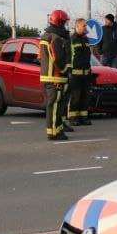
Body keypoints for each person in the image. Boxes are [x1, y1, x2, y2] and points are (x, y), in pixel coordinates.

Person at [39, 9, 72, 140]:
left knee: (54, 106)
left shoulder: (45, 36)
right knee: (54, 106)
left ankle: (57, 130)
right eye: (63, 22)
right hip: (55, 78)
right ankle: (53, 133)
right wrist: (65, 70)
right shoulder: (56, 38)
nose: (64, 25)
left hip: (47, 77)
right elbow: (57, 58)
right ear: (59, 22)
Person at [68, 18, 94, 126]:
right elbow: (69, 56)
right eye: (83, 26)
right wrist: (69, 72)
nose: (85, 28)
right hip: (75, 74)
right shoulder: (72, 39)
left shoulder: (86, 39)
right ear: (77, 26)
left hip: (86, 74)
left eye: (85, 26)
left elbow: (88, 57)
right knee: (75, 97)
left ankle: (83, 117)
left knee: (85, 96)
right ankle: (73, 118)